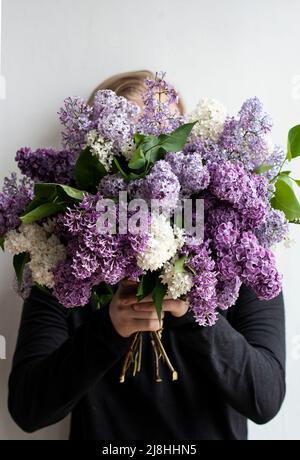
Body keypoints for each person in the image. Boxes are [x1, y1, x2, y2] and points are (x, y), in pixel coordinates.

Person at [8, 70, 286, 440]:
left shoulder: (236, 248)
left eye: (163, 141)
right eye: (129, 148)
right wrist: (109, 328)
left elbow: (264, 398)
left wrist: (193, 311)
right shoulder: (62, 258)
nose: (147, 163)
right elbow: (28, 408)